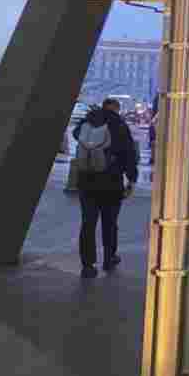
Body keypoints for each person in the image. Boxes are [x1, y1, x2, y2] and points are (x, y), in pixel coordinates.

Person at [72, 98, 139, 278]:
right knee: (109, 222)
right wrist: (131, 179)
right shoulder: (119, 125)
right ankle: (109, 258)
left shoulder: (87, 122)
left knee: (88, 223)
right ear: (116, 109)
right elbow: (129, 154)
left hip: (86, 180)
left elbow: (75, 134)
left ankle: (88, 265)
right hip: (111, 182)